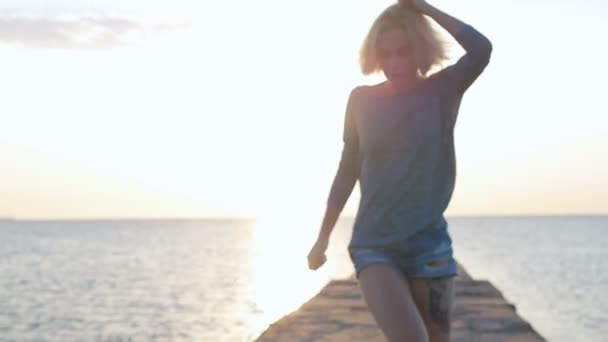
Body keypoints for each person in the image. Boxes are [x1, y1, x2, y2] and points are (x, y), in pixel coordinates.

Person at [307, 1, 493, 341]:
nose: (394, 63)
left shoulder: (443, 90)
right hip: (374, 244)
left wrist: (424, 8)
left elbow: (482, 48)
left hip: (430, 246)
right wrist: (322, 238)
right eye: (386, 53)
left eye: (403, 52)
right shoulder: (361, 101)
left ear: (420, 49)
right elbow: (347, 169)